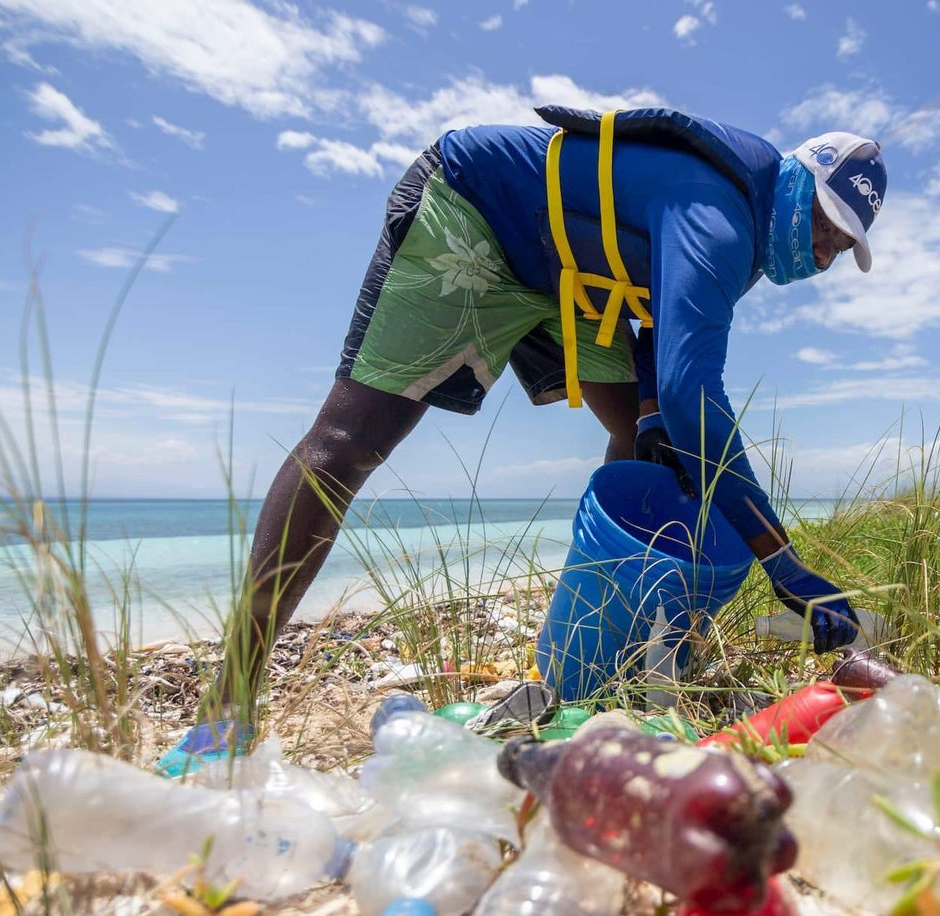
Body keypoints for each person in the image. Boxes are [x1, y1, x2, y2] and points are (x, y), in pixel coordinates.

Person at [210, 105, 887, 713]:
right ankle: (229, 699)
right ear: (798, 178)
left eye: (840, 244)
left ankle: (598, 664)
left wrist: (651, 416)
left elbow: (661, 334)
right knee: (348, 440)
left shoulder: (746, 239)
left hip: (566, 274)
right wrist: (783, 561)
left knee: (645, 444)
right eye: (823, 221)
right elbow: (692, 392)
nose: (823, 250)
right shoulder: (721, 218)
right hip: (475, 212)